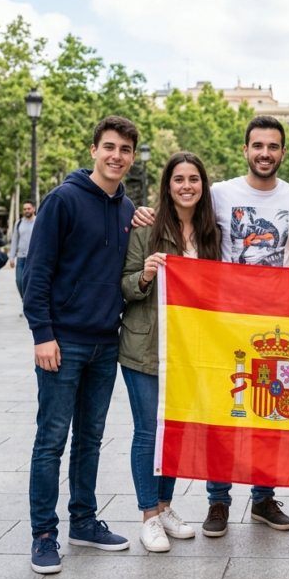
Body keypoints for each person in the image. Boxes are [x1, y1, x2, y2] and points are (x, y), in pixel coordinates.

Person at [132, 116, 289, 537]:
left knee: (273, 410)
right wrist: (144, 211)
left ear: (283, 153)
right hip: (224, 324)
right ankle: (218, 500)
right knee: (224, 412)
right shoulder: (219, 193)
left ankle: (264, 497)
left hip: (281, 326)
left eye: (273, 146)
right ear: (246, 150)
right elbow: (183, 209)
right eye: (258, 145)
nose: (265, 153)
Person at [22, 115, 139, 574]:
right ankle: (43, 534)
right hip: (63, 342)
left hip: (105, 344)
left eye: (125, 150)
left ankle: (84, 523)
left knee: (90, 439)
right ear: (93, 150)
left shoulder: (130, 211)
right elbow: (37, 272)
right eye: (109, 147)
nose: (116, 156)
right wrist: (42, 334)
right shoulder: (63, 200)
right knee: (51, 439)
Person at [119, 152, 221, 553]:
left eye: (193, 179)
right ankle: (148, 516)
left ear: (202, 185)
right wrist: (145, 274)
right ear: (168, 185)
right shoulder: (145, 228)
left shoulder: (212, 234)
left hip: (189, 351)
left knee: (173, 434)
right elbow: (124, 285)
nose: (186, 186)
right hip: (145, 348)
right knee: (148, 433)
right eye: (178, 179)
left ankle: (165, 507)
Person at [9, 200, 37, 308]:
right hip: (21, 257)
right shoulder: (19, 223)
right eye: (24, 209)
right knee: (19, 281)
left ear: (33, 209)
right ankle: (24, 300)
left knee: (32, 281)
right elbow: (15, 240)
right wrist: (12, 257)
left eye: (28, 208)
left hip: (34, 257)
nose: (26, 211)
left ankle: (29, 302)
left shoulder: (39, 221)